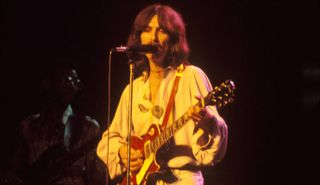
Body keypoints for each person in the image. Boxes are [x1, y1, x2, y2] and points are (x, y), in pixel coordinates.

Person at [97, 4, 228, 185]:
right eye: (147, 30)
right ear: (139, 38)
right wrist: (122, 152)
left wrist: (209, 124)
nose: (153, 38)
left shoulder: (191, 77)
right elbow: (109, 139)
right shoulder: (133, 89)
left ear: (173, 39)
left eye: (161, 31)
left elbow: (214, 146)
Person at [7, 61, 105, 185]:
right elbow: (15, 173)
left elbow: (98, 179)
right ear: (47, 83)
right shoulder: (29, 127)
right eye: (65, 80)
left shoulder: (88, 128)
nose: (70, 86)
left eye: (75, 82)